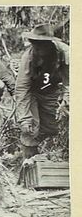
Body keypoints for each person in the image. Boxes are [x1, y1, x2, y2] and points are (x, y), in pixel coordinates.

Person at [15, 23, 69, 158]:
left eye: (41, 46)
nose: (38, 50)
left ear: (49, 43)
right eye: (35, 46)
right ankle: (28, 162)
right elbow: (22, 88)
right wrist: (24, 118)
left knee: (53, 127)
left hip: (52, 92)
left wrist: (67, 99)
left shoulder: (64, 53)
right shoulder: (28, 57)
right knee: (30, 128)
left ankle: (48, 156)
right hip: (33, 93)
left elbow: (72, 80)